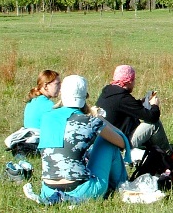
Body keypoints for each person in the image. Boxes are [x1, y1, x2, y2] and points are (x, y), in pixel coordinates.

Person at [35, 75, 128, 203]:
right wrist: (100, 119)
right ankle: (122, 186)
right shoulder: (90, 121)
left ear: (62, 93)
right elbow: (121, 141)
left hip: (48, 190)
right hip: (82, 190)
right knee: (107, 142)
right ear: (85, 97)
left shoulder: (46, 118)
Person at [95, 65, 173, 154]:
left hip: (106, 142)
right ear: (129, 81)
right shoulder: (123, 98)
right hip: (119, 145)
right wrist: (155, 105)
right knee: (153, 124)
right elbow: (152, 117)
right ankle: (168, 154)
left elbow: (126, 108)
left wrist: (140, 102)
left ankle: (152, 148)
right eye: (134, 80)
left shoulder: (108, 92)